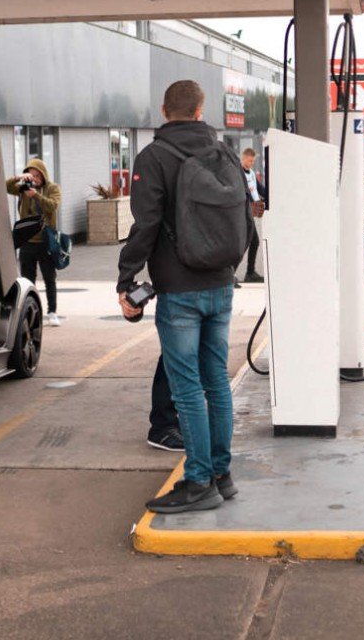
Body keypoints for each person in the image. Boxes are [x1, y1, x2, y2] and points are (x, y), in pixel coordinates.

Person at [119, 80, 249, 514]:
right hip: (221, 283)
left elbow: (146, 224)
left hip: (180, 291)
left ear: (163, 109)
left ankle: (198, 483)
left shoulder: (154, 157)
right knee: (217, 381)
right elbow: (245, 216)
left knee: (187, 387)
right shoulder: (224, 153)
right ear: (200, 110)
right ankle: (221, 475)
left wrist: (127, 278)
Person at [6, 158, 62, 326]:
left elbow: (52, 206)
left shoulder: (52, 188)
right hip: (27, 241)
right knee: (27, 280)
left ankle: (52, 312)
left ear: (44, 175)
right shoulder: (24, 188)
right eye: (32, 175)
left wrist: (36, 195)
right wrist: (19, 177)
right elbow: (5, 186)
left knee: (49, 279)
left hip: (46, 241)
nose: (35, 179)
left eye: (38, 175)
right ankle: (29, 312)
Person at [237, 147, 265, 285]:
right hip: (241, 212)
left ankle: (250, 272)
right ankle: (231, 274)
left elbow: (260, 189)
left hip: (249, 212)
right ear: (243, 159)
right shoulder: (238, 173)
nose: (251, 164)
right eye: (249, 161)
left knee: (253, 242)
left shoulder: (252, 173)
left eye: (253, 161)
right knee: (244, 243)